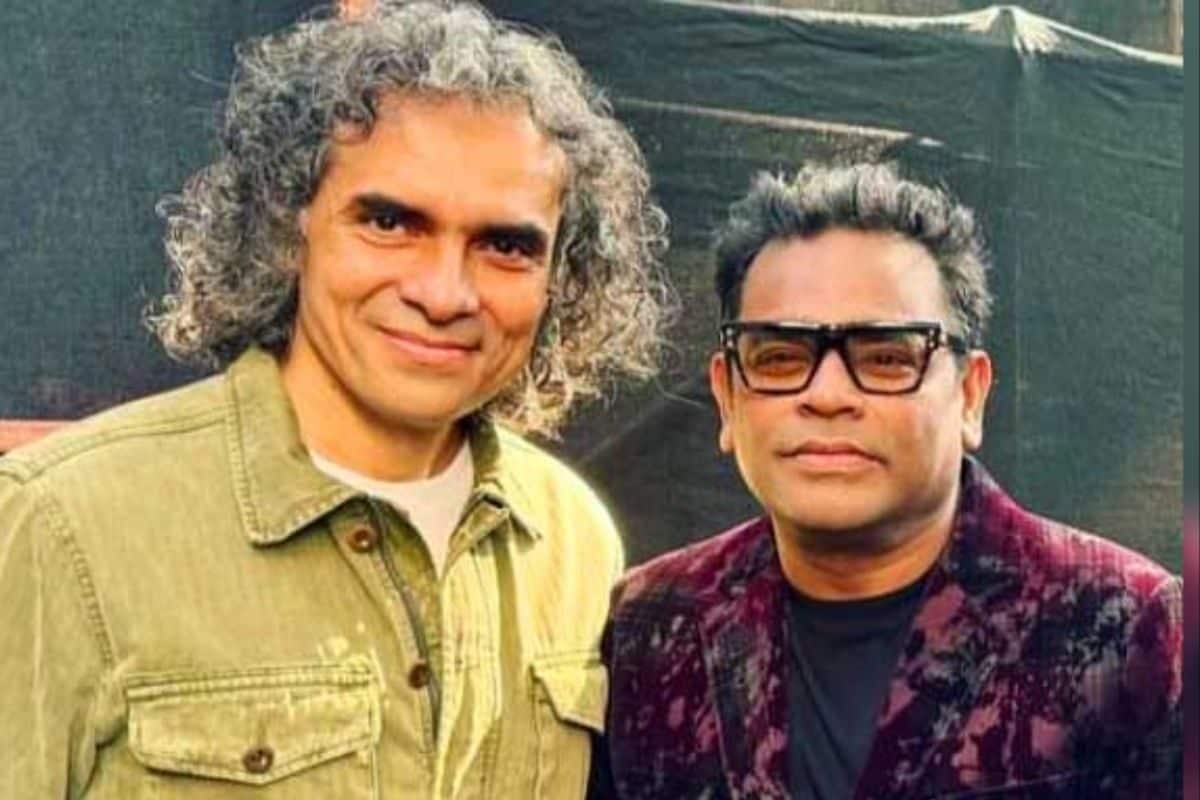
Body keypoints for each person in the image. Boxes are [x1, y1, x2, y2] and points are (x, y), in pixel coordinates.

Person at [0, 2, 672, 797]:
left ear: (563, 276)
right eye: (389, 222)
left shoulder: (572, 541)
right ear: (289, 230)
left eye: (505, 245)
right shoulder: (62, 527)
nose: (444, 293)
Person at [596, 163, 1181, 799]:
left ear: (970, 395)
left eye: (885, 358)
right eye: (780, 357)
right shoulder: (652, 623)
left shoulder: (1124, 624)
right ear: (727, 397)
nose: (826, 395)